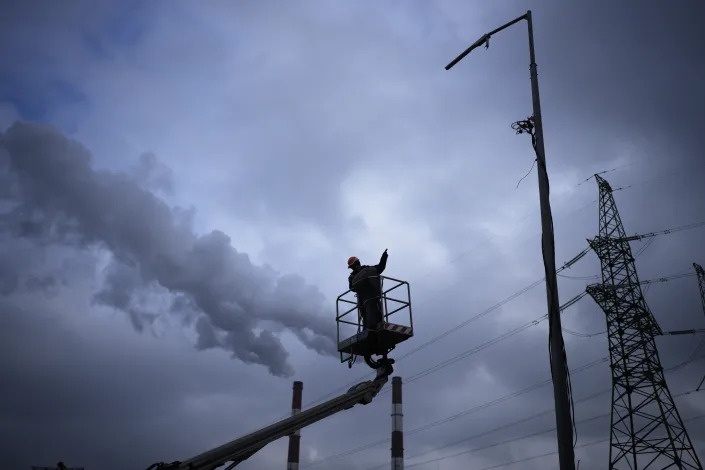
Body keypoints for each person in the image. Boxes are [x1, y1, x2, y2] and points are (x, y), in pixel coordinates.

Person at [347, 249, 388, 331]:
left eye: (355, 264)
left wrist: (384, 257)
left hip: (374, 296)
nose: (355, 267)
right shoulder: (352, 277)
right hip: (363, 299)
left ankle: (379, 324)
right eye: (352, 266)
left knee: (378, 312)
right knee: (366, 316)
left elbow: (380, 267)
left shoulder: (368, 270)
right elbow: (352, 287)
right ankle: (367, 328)